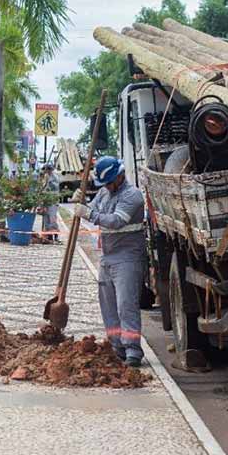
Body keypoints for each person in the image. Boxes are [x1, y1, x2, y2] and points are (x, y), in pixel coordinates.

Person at [73, 156, 146, 367]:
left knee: (126, 305)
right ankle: (117, 346)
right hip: (107, 256)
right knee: (109, 306)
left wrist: (88, 212)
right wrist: (81, 202)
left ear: (120, 176)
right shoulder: (105, 192)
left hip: (128, 257)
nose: (105, 186)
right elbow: (92, 209)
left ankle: (133, 350)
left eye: (108, 182)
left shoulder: (133, 196)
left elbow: (115, 221)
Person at [39, 162, 60, 243]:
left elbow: (54, 187)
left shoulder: (54, 177)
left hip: (53, 201)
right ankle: (49, 236)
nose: (46, 171)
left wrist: (48, 180)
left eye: (47, 169)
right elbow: (42, 188)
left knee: (52, 218)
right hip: (45, 200)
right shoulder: (43, 177)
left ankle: (55, 235)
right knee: (46, 219)